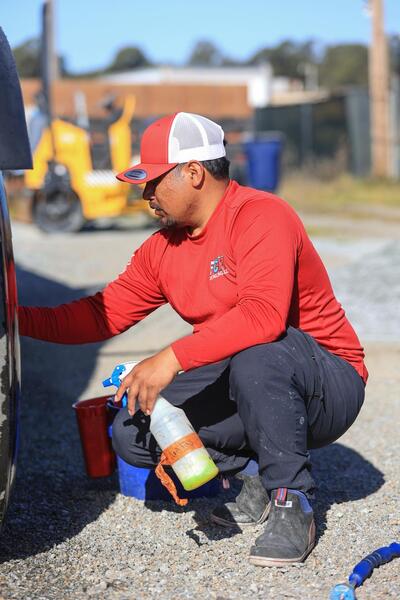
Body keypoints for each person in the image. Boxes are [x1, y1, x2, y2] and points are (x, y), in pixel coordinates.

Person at [19, 112, 367, 568]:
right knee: (132, 429)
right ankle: (256, 478)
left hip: (327, 381)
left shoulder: (261, 215)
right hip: (251, 376)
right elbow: (98, 315)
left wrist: (171, 358)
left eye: (153, 181)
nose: (145, 194)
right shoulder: (164, 248)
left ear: (194, 173)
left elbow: (263, 317)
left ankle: (291, 499)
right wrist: (14, 319)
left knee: (258, 355)